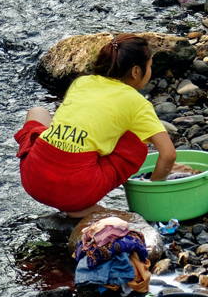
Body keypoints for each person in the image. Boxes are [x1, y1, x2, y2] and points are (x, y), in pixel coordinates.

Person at [15, 33, 178, 217]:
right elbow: (169, 154)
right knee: (138, 144)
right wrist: (156, 187)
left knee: (38, 112)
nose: (151, 70)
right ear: (135, 72)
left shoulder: (81, 82)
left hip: (33, 178)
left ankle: (70, 200)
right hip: (75, 190)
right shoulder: (136, 102)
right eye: (149, 66)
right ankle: (78, 208)